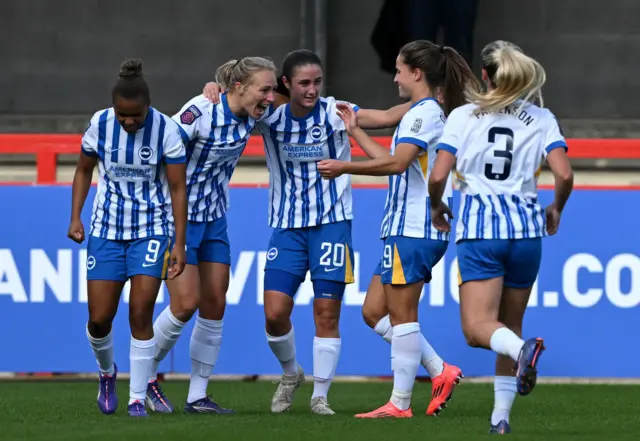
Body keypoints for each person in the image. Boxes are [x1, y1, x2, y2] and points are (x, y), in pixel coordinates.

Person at [202, 48, 411, 415]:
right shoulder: (269, 117)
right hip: (286, 228)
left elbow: (390, 116)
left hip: (332, 224)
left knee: (326, 314)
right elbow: (238, 100)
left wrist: (432, 102)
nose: (312, 90)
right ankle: (290, 374)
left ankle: (320, 397)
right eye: (303, 83)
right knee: (275, 312)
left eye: (317, 82)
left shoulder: (335, 111)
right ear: (286, 84)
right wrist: (214, 88)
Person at [317, 40, 479, 418]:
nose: (395, 77)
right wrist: (355, 132)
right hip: (402, 229)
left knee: (404, 316)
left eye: (399, 70)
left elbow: (396, 163)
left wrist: (345, 167)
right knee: (374, 311)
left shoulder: (425, 115)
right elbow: (395, 161)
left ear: (416, 74)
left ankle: (399, 404)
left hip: (416, 228)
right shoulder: (419, 112)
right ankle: (440, 370)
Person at [427, 40, 574, 434]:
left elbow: (438, 174)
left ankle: (522, 353)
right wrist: (556, 208)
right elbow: (564, 173)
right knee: (508, 327)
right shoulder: (542, 118)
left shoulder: (462, 116)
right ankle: (500, 419)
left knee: (478, 330)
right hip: (527, 234)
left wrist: (436, 205)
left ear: (486, 75)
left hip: (480, 233)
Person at [145, 56, 278, 414]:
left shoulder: (257, 113)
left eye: (272, 89)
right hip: (177, 221)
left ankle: (197, 396)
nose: (270, 96)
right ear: (239, 87)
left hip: (215, 218)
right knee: (185, 303)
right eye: (264, 89)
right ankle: (143, 375)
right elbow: (160, 147)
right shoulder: (201, 111)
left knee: (215, 303)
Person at [68, 59, 187, 417]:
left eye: (135, 115)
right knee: (99, 318)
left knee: (141, 312)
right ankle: (107, 374)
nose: (128, 121)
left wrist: (178, 243)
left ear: (147, 107)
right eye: (123, 115)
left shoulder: (166, 130)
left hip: (150, 230)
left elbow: (178, 189)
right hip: (106, 230)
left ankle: (137, 396)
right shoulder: (99, 124)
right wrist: (75, 216)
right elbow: (83, 169)